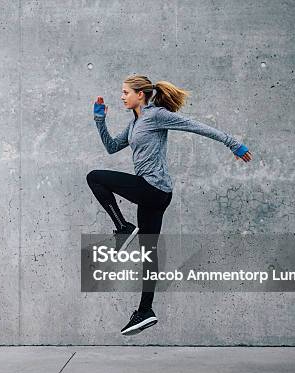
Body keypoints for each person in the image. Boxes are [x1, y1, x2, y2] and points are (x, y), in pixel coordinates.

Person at [87, 74, 252, 335]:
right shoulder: (135, 124)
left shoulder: (156, 116)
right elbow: (111, 147)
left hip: (152, 189)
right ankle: (145, 311)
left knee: (95, 177)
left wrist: (234, 144)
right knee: (148, 253)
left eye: (125, 92)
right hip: (155, 193)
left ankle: (123, 228)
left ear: (140, 94)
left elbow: (196, 126)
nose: (121, 97)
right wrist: (99, 120)